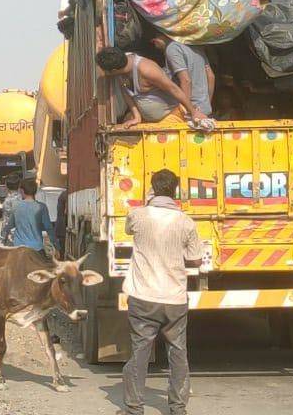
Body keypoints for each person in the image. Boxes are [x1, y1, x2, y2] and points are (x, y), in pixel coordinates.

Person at [120, 169, 201, 415]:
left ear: (153, 188)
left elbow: (128, 230)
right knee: (177, 352)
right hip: (174, 297)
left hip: (143, 297)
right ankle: (177, 408)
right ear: (175, 191)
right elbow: (196, 260)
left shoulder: (138, 216)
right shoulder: (186, 222)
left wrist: (147, 201)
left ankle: (134, 408)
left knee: (140, 350)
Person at [96, 46, 207, 125]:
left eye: (107, 72)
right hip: (146, 119)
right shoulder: (120, 69)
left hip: (171, 116)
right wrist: (136, 116)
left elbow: (174, 89)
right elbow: (127, 92)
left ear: (114, 70)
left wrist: (193, 112)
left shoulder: (147, 70)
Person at [150, 32, 215, 117]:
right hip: (203, 109)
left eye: (156, 36)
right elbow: (211, 77)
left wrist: (188, 110)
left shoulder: (172, 48)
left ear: (164, 35)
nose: (152, 41)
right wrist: (206, 104)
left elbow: (185, 80)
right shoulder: (195, 47)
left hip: (190, 112)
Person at [10, 178, 57, 256]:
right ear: (35, 191)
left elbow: (10, 225)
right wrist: (56, 246)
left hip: (19, 248)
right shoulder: (42, 207)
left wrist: (3, 239)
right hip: (37, 248)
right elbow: (49, 228)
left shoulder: (16, 206)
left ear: (22, 190)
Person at [0, 173, 23, 245]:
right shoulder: (24, 198)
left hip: (12, 235)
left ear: (6, 186)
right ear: (19, 185)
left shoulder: (8, 201)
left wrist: (2, 237)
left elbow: (6, 221)